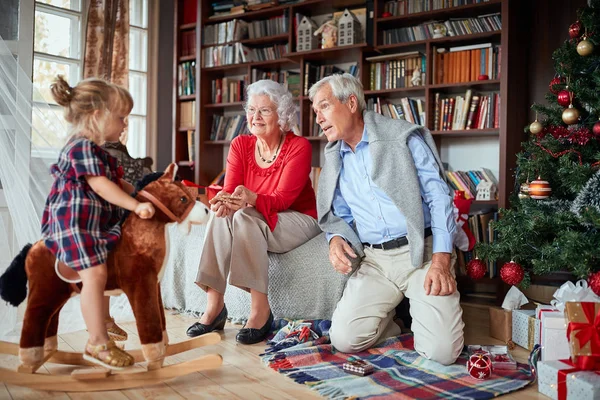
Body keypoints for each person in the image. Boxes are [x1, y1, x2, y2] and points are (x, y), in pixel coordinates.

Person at [309, 73, 464, 365]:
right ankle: (394, 321)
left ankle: (421, 319)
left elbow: (439, 197)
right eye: (316, 111)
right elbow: (338, 215)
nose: (318, 118)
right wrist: (336, 239)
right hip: (375, 259)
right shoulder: (334, 158)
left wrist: (442, 261)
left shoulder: (404, 138)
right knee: (343, 340)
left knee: (444, 353)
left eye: (324, 106)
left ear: (351, 102)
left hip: (423, 252)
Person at [186, 80, 321, 344]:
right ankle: (214, 307)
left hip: (298, 218)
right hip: (256, 214)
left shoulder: (299, 147)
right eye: (251, 110)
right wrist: (223, 202)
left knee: (245, 216)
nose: (255, 117)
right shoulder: (240, 144)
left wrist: (249, 199)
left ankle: (260, 311)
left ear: (281, 115)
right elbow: (231, 190)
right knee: (222, 213)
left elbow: (282, 200)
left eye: (265, 111)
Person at [43, 76, 155, 369]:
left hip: (91, 223)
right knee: (94, 275)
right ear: (97, 116)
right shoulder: (81, 147)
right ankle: (97, 341)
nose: (125, 124)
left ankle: (103, 325)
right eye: (121, 117)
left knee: (109, 265)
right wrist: (134, 205)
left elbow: (118, 181)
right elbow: (102, 185)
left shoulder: (97, 150)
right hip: (73, 224)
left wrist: (143, 195)